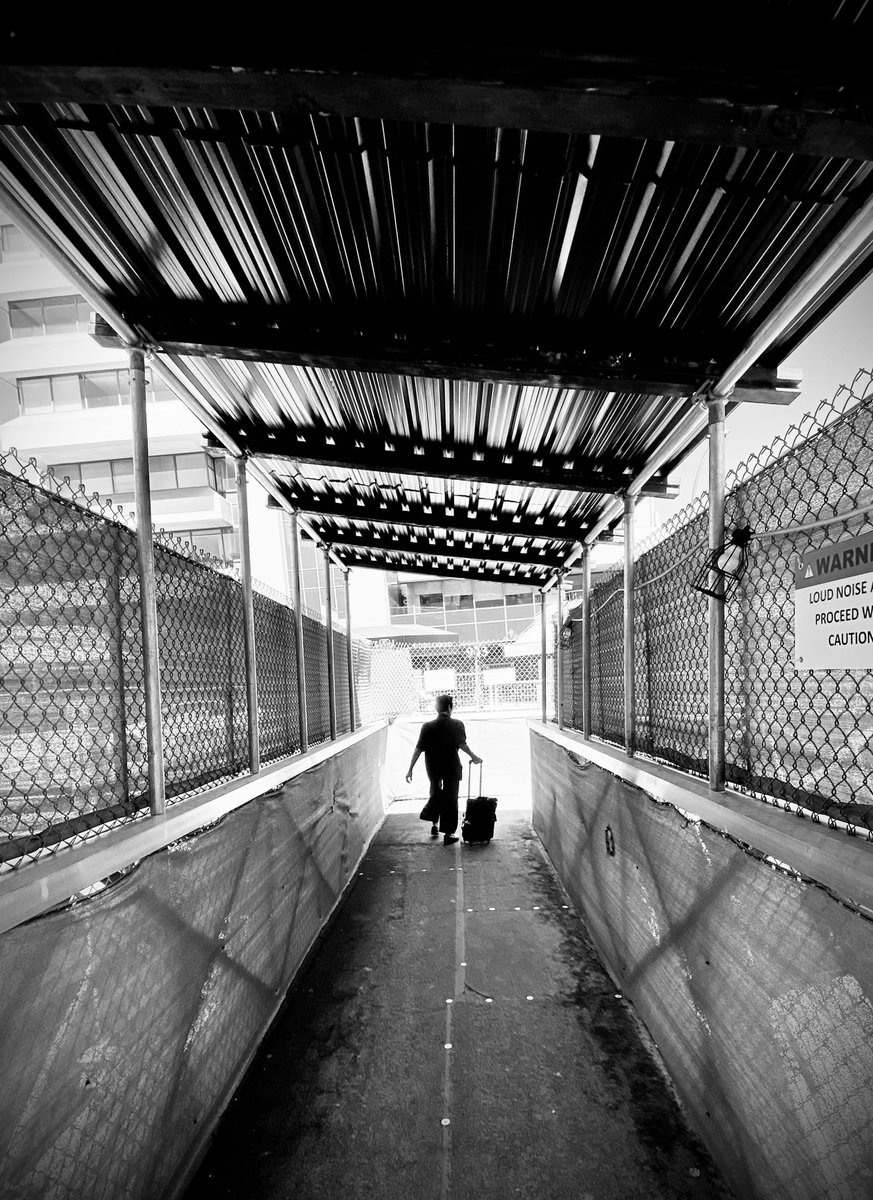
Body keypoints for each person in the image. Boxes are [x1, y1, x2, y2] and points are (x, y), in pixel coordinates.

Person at [406, 695, 482, 845]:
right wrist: (474, 757)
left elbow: (418, 749)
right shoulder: (457, 724)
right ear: (449, 707)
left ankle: (434, 823)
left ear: (436, 708)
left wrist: (410, 769)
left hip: (433, 767)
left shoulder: (427, 726)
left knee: (435, 791)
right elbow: (462, 745)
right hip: (451, 767)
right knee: (451, 798)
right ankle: (448, 834)